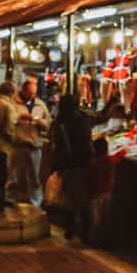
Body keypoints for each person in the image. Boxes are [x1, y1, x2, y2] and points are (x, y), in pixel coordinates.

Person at [44, 94, 94, 241]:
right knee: (82, 196)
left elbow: (55, 143)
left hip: (68, 162)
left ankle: (72, 229)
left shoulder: (61, 121)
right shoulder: (84, 119)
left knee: (70, 196)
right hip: (83, 161)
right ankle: (84, 230)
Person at [10, 77, 50, 206]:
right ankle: (11, 201)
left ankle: (36, 203)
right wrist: (19, 118)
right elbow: (8, 121)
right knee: (14, 176)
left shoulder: (40, 104)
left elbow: (48, 122)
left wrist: (42, 123)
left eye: (34, 94)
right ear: (23, 90)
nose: (32, 96)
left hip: (34, 145)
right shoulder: (13, 103)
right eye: (30, 93)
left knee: (35, 177)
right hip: (17, 145)